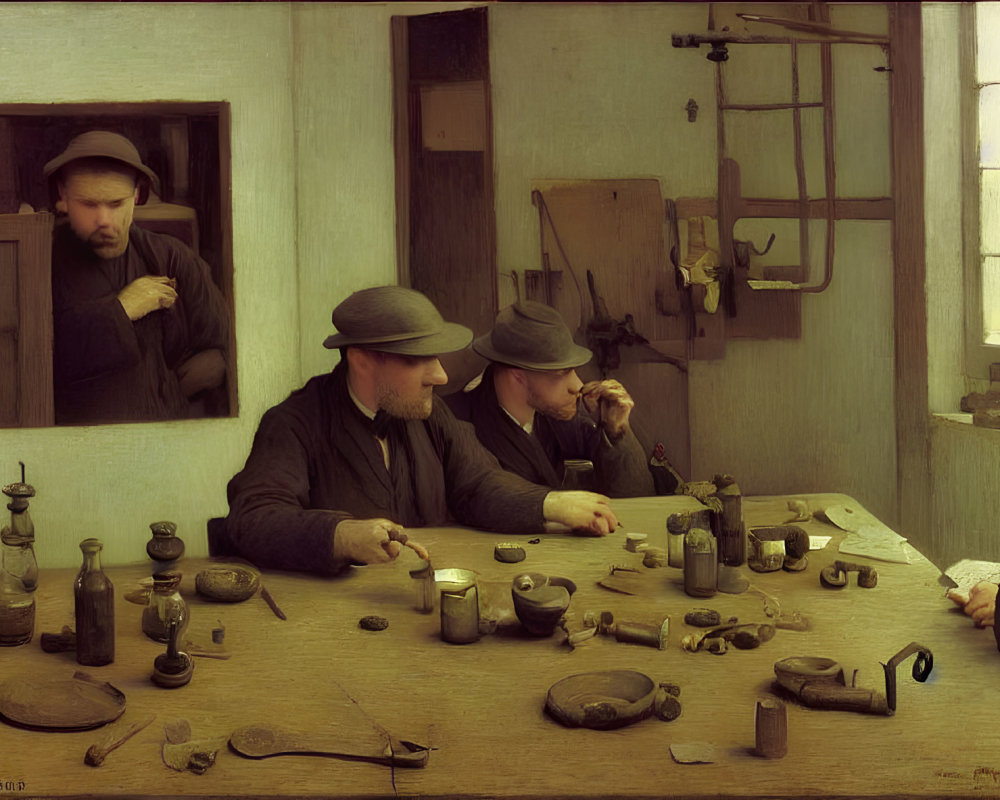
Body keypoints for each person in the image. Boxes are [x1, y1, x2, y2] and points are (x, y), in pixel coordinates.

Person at [222, 286, 619, 575]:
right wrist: (340, 535)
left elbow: (479, 483)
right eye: (418, 359)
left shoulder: (430, 416)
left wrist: (551, 505)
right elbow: (253, 518)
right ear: (361, 361)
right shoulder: (294, 422)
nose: (440, 374)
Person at [44, 130, 230, 424]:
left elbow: (225, 342)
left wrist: (219, 363)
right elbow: (39, 361)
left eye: (116, 203)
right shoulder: (41, 264)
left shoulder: (172, 257)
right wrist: (122, 309)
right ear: (63, 197)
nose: (104, 220)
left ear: (137, 196)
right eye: (89, 204)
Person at [445, 301, 655, 497]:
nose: (578, 386)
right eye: (562, 373)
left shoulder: (557, 420)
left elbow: (637, 496)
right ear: (518, 375)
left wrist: (616, 431)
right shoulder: (455, 423)